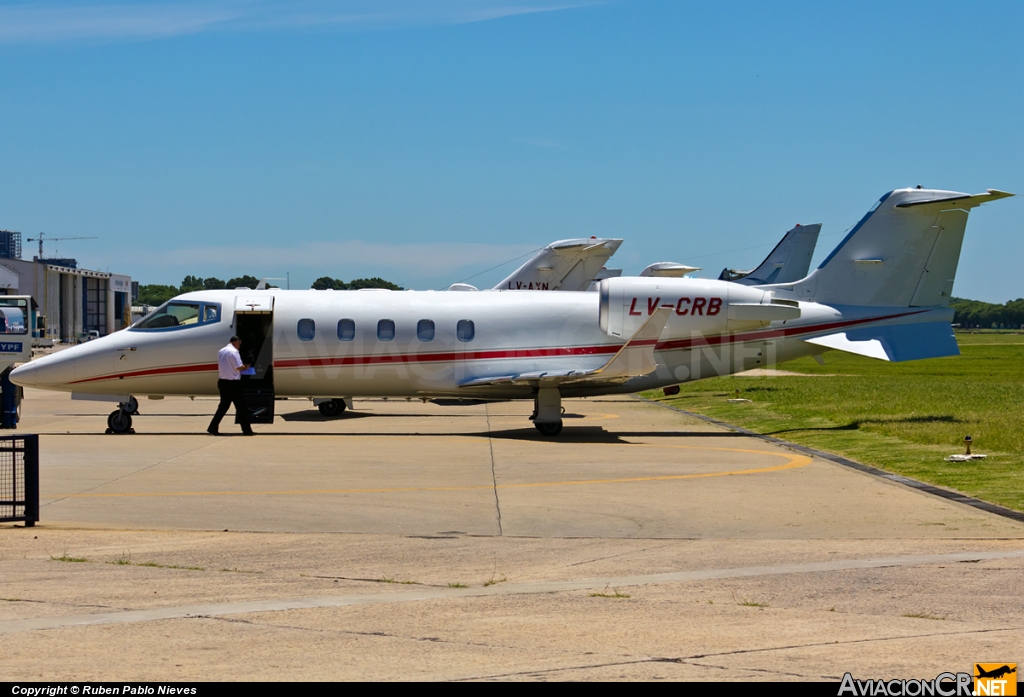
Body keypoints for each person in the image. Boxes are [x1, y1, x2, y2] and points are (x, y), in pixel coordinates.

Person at [207, 336, 254, 435]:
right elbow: (238, 367)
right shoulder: (234, 352)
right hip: (233, 384)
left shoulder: (221, 351)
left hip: (222, 382)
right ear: (236, 341)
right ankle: (247, 430)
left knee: (223, 407)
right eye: (239, 343)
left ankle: (213, 427)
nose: (239, 346)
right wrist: (246, 366)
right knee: (241, 407)